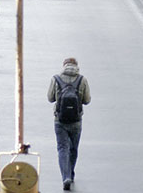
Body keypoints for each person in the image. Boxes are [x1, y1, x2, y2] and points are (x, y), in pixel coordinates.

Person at [47, 57, 91, 191]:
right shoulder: (82, 80)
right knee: (73, 148)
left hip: (59, 120)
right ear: (76, 66)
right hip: (76, 121)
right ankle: (71, 173)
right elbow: (87, 100)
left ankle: (65, 176)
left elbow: (50, 98)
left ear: (64, 66)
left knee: (62, 148)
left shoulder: (56, 79)